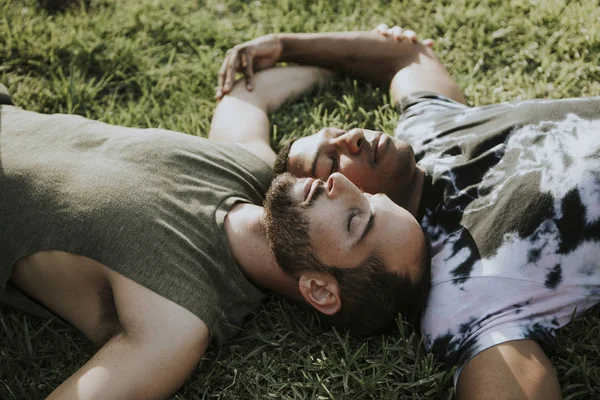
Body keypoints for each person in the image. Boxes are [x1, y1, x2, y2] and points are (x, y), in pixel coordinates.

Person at [213, 25, 600, 399]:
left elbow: (407, 56)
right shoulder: (463, 291)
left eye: (339, 131)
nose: (354, 137)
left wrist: (284, 45)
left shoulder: (425, 126)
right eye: (332, 164)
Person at [0, 78, 430, 398]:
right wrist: (326, 55)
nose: (340, 181)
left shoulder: (176, 324)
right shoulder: (249, 167)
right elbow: (249, 88)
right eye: (370, 195)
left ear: (319, 289)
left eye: (356, 220)